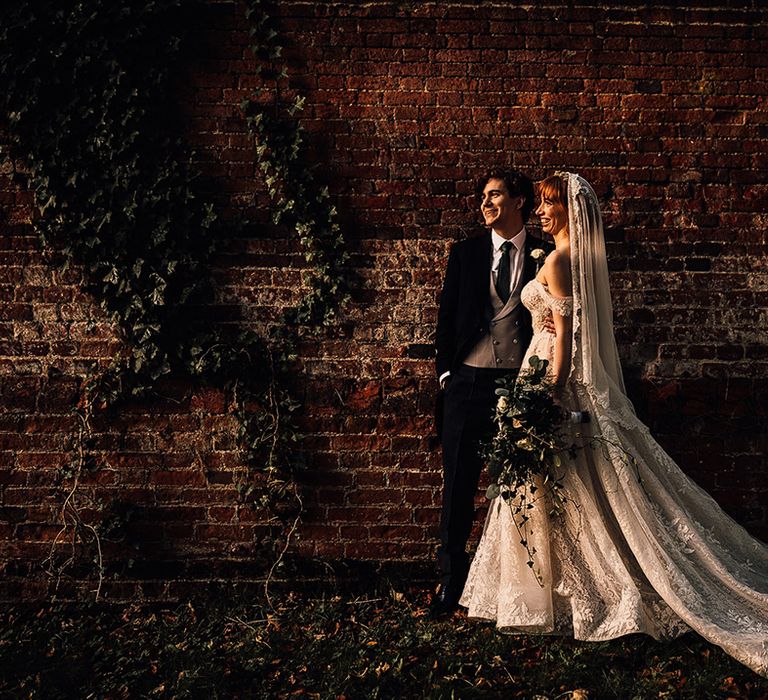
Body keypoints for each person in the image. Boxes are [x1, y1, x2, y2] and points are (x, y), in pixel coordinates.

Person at [459, 172, 768, 677]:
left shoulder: (558, 261)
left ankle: (564, 593)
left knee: (566, 482)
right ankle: (551, 590)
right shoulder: (567, 257)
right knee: (565, 484)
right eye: (538, 203)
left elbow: (564, 339)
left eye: (548, 204)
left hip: (550, 377)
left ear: (568, 211)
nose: (540, 211)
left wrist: (547, 394)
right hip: (543, 372)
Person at [432, 168, 553, 616]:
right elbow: (447, 317)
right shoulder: (465, 254)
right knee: (459, 485)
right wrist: (446, 374)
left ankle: (517, 584)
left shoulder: (547, 256)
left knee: (522, 487)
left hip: (520, 387)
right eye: (483, 196)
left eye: (496, 195)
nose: (486, 203)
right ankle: (450, 582)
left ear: (520, 201)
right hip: (466, 383)